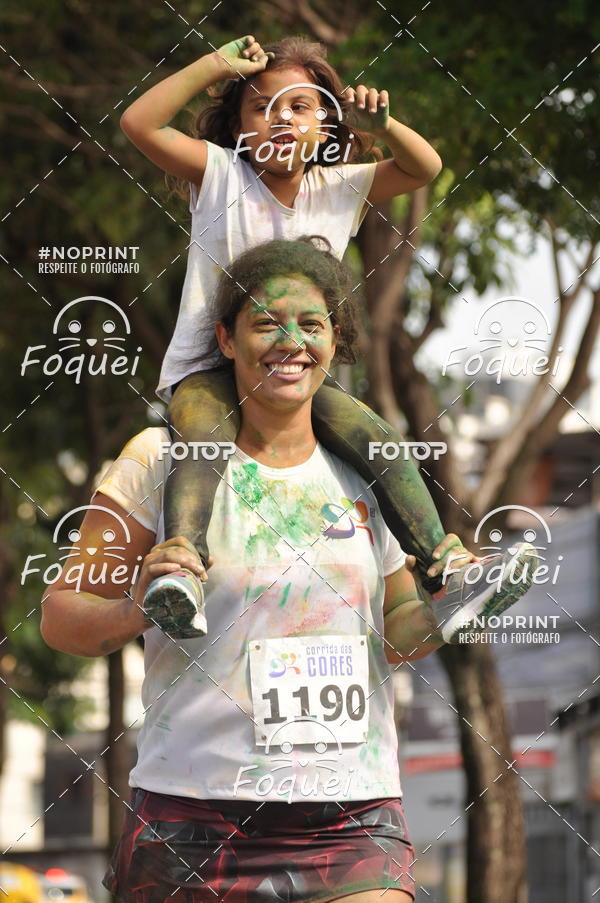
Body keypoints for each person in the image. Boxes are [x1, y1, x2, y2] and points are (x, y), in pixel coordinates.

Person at [41, 239, 536, 903]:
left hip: (353, 813)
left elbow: (391, 633)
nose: (290, 341)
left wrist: (448, 612)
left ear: (335, 340)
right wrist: (138, 607)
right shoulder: (157, 460)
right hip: (194, 815)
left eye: (312, 324)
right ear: (225, 336)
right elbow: (61, 617)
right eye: (267, 322)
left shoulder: (367, 471)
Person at [119, 34, 533, 639]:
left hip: (293, 375)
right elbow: (138, 122)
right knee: (202, 436)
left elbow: (426, 167)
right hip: (210, 368)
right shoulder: (219, 175)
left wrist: (385, 127)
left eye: (299, 106)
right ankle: (180, 569)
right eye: (260, 106)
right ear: (237, 126)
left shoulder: (339, 188)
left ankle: (448, 567)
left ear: (329, 124)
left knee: (379, 437)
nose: (279, 117)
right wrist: (213, 64)